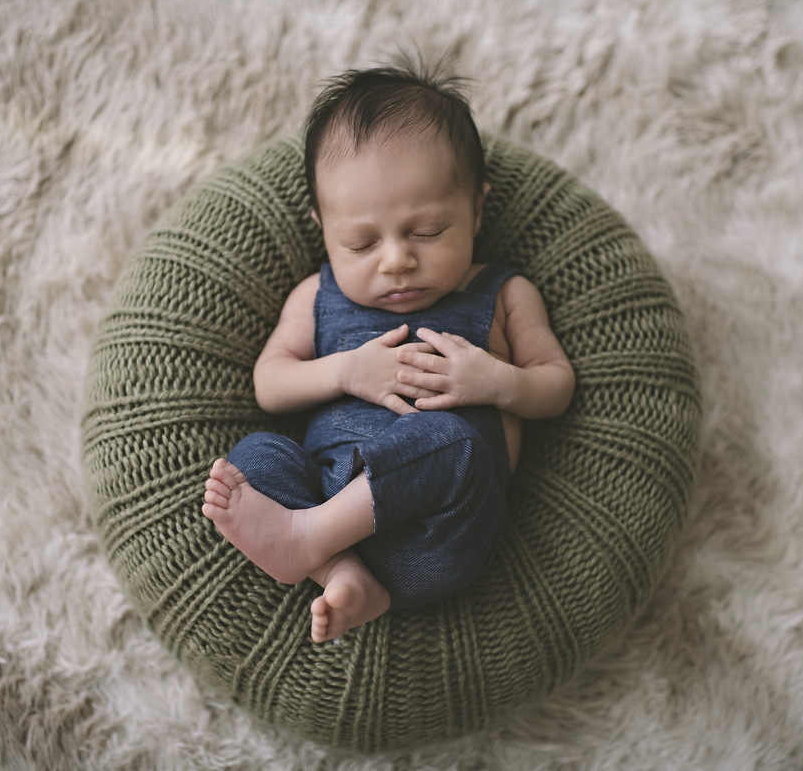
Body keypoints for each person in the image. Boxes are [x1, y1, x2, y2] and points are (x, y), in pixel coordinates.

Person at [202, 63, 575, 643]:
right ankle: (343, 575)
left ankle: (308, 539)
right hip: (329, 502)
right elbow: (270, 385)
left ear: (477, 210)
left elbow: (556, 386)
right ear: (323, 229)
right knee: (252, 458)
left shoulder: (504, 293)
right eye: (362, 242)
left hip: (439, 532)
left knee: (453, 440)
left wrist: (498, 382)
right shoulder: (315, 295)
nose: (397, 260)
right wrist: (345, 370)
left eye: (427, 232)